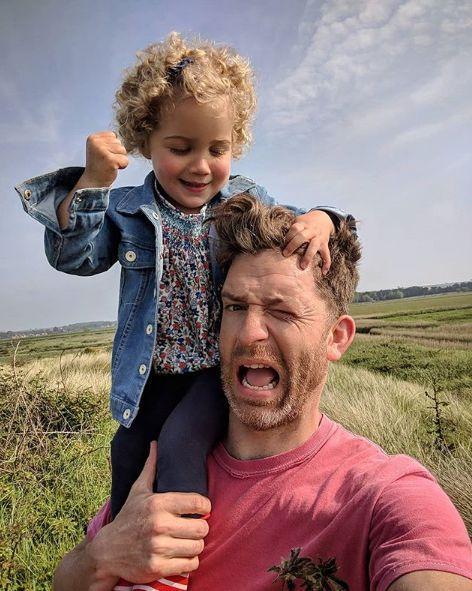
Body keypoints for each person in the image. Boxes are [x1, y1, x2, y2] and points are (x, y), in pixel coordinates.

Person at [15, 33, 354, 591]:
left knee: (180, 444)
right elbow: (75, 257)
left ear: (235, 144)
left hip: (211, 368)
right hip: (152, 373)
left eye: (217, 149)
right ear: (145, 140)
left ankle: (171, 574)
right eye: (181, 147)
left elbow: (299, 223)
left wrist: (324, 218)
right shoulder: (127, 210)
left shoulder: (243, 201)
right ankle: (121, 561)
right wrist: (93, 183)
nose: (201, 166)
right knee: (127, 451)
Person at [52, 195, 472, 591]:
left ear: (337, 337)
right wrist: (101, 556)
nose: (249, 332)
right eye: (235, 307)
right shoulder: (163, 461)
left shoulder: (382, 496)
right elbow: (66, 580)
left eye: (281, 311)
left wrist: (325, 217)